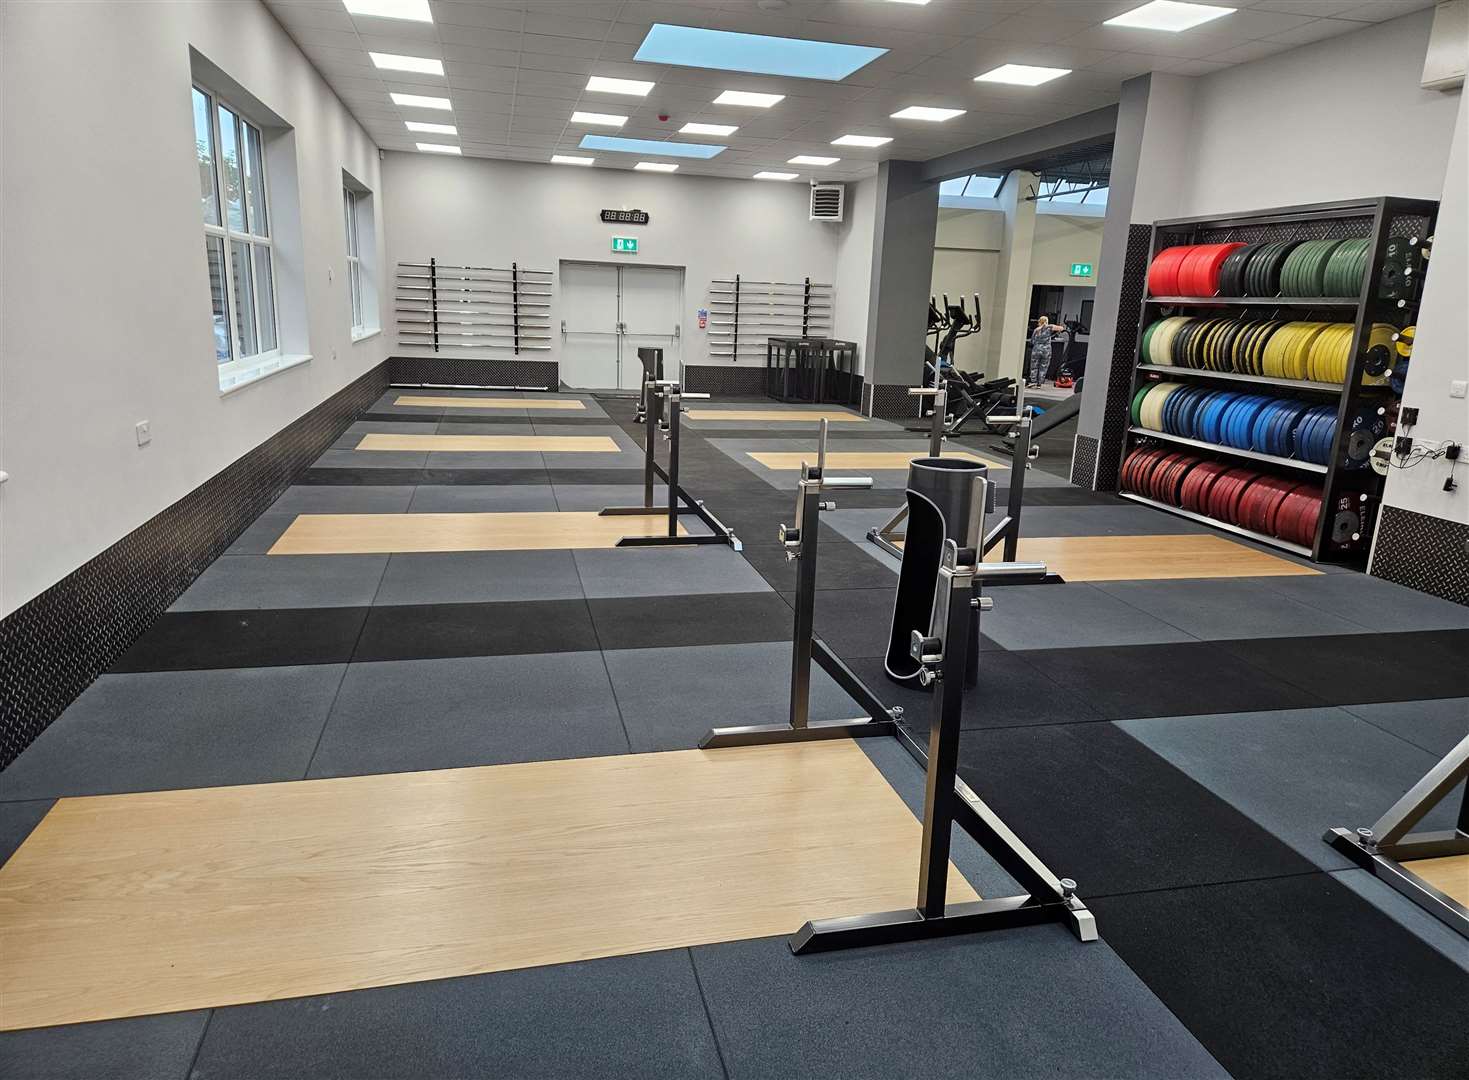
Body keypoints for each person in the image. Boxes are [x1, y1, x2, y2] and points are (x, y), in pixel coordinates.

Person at [1027, 315, 1066, 388]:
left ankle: (1033, 381)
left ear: (1039, 322)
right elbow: (1061, 328)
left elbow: (1032, 341)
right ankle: (1039, 383)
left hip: (1036, 350)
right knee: (1043, 366)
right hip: (1046, 350)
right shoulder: (1049, 327)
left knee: (1034, 366)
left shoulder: (1036, 330)